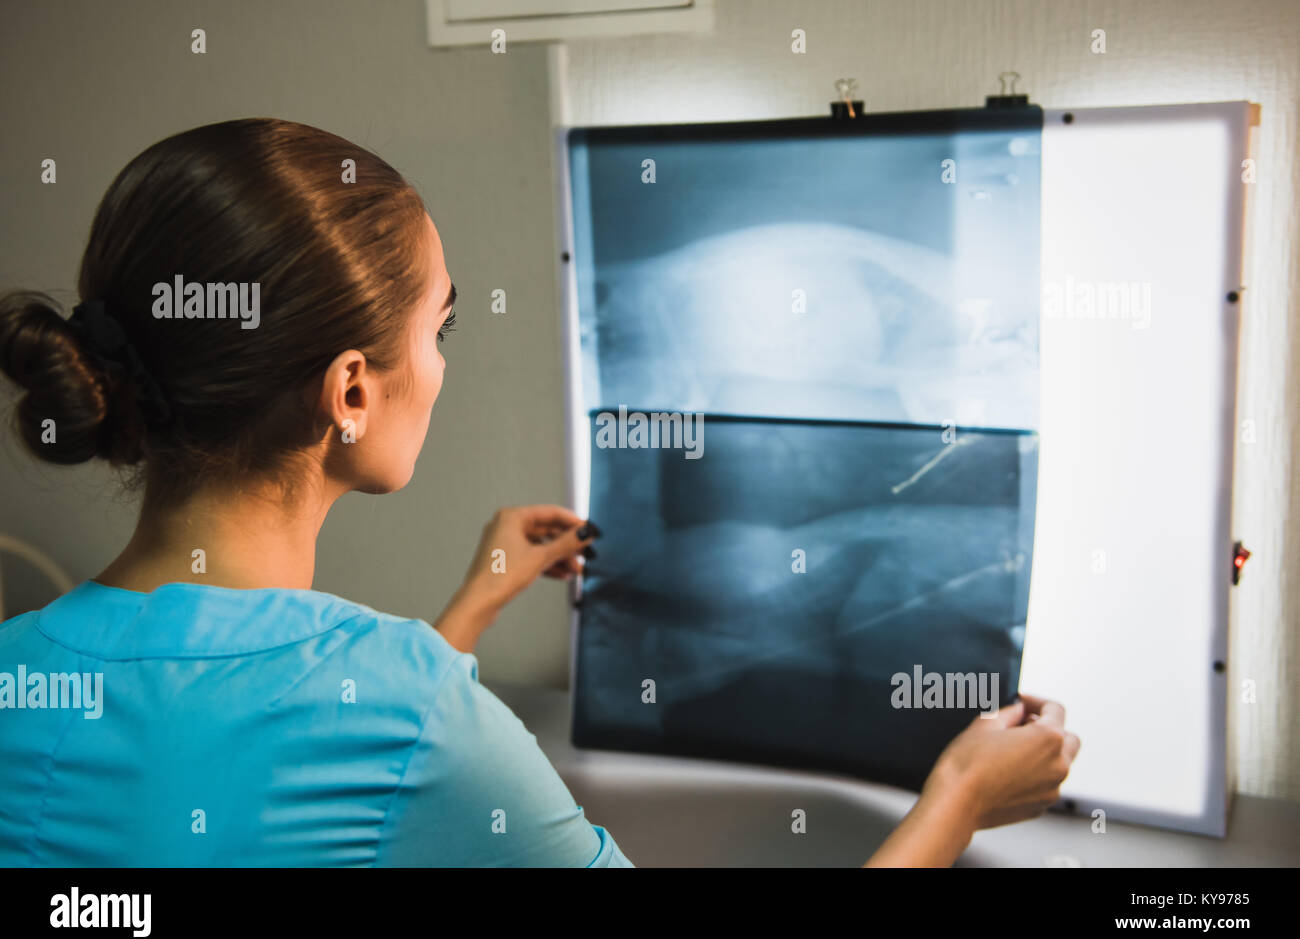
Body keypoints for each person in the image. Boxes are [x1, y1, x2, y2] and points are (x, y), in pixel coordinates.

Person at [0, 118, 1078, 867]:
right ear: (351, 391)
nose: (445, 364)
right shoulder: (411, 711)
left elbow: (273, 754)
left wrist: (472, 606)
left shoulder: (18, 671)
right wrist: (958, 802)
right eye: (439, 328)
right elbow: (373, 743)